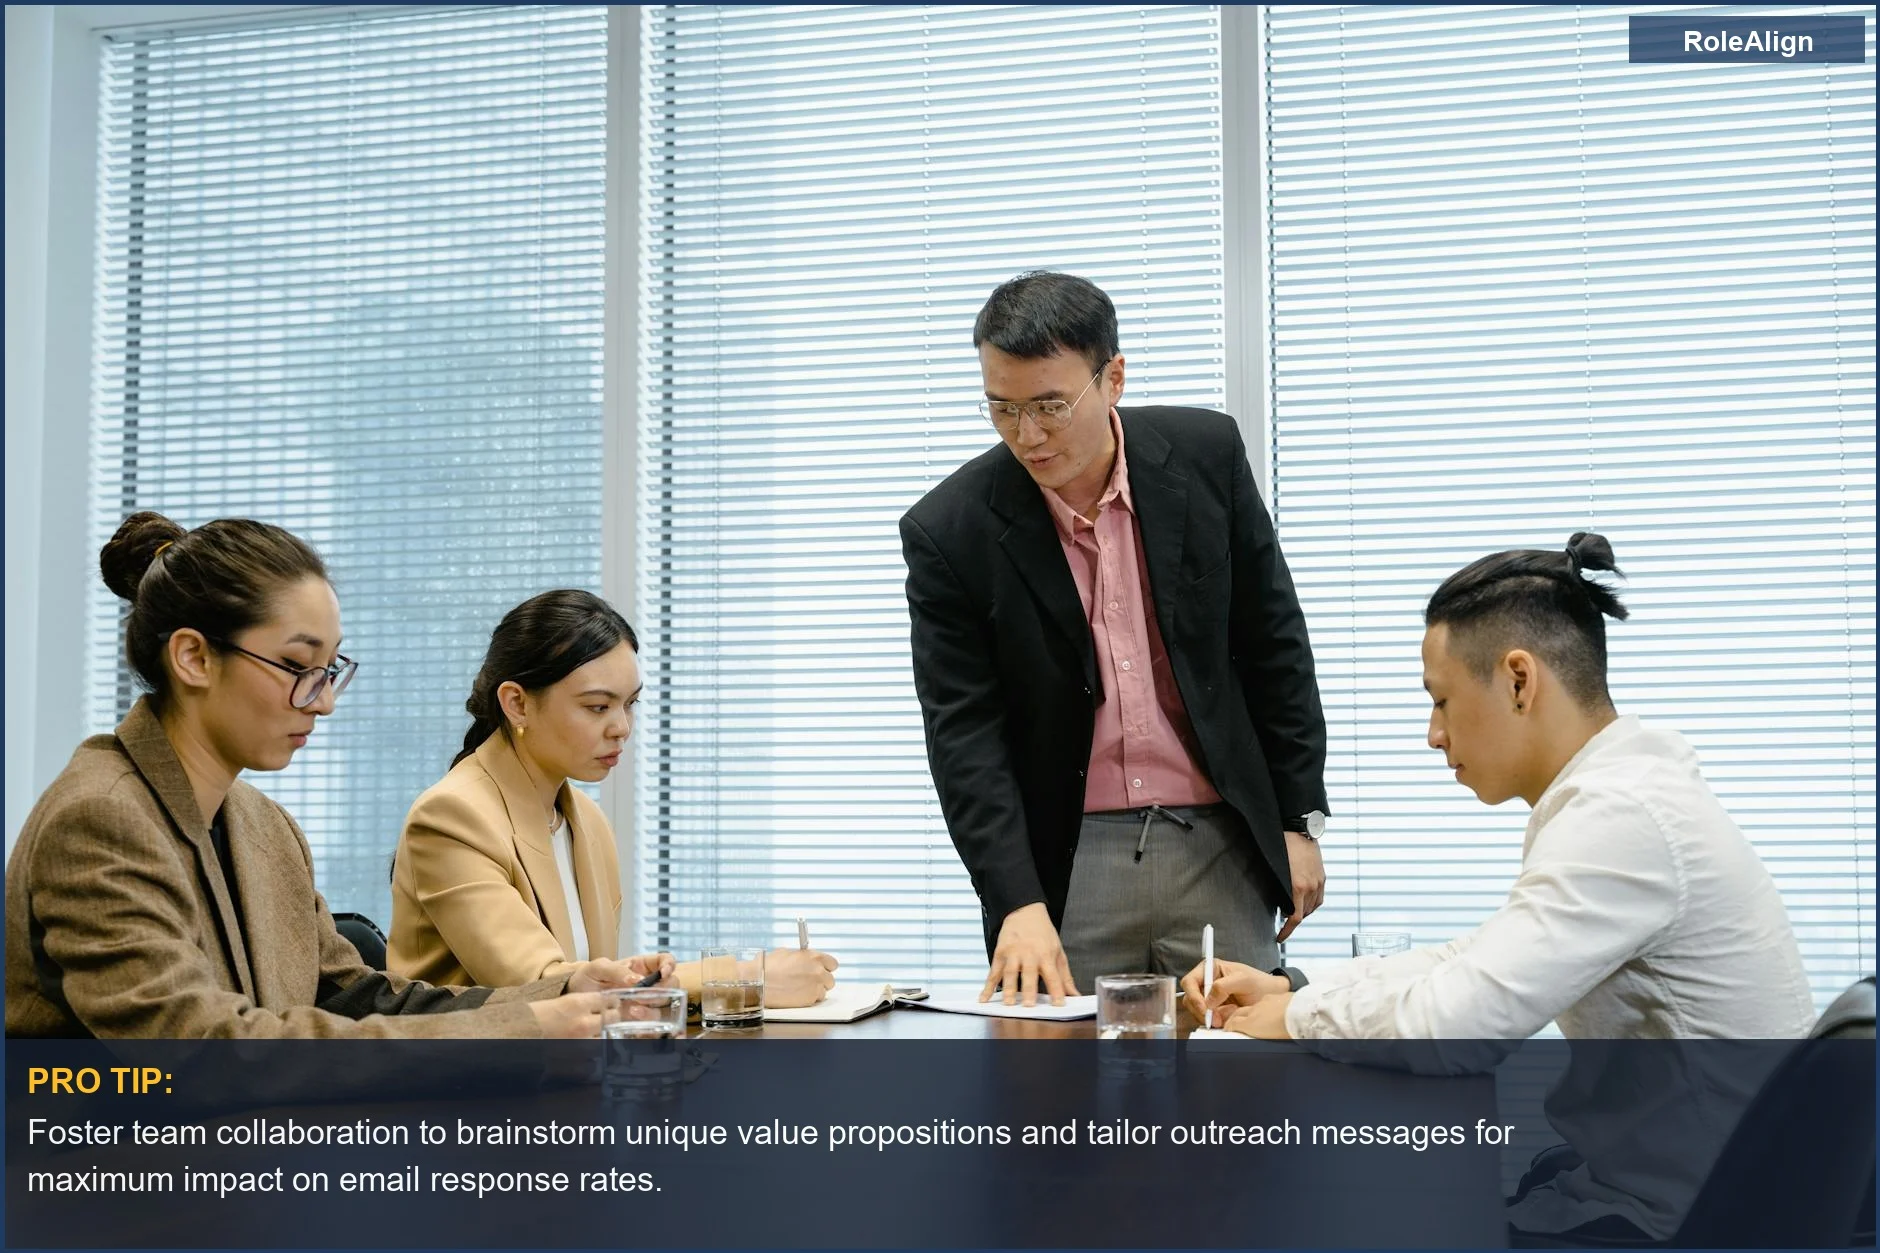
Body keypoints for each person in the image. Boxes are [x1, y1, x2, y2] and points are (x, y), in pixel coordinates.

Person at [1182, 532, 1816, 1240]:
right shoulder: (1621, 793)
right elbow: (1476, 958)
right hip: (1672, 1191)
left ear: (1519, 680)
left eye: (1442, 700)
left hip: (1691, 1225)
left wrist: (1295, 1019)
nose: (1433, 733)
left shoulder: (1622, 817)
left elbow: (1459, 1026)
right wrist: (1294, 990)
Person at [7, 513, 663, 1039]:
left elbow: (350, 994)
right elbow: (208, 1049)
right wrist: (522, 1027)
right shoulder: (101, 818)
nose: (323, 701)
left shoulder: (263, 824)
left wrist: (557, 992)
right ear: (193, 658)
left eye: (330, 670)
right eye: (298, 667)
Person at [901, 271, 1329, 1004]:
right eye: (1002, 408)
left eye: (1050, 406)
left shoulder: (1206, 455)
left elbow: (1274, 643)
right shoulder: (949, 530)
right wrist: (1015, 900)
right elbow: (963, 733)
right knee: (1058, 1073)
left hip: (1220, 838)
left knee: (1237, 1059)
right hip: (1068, 856)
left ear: (1114, 378)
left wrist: (1298, 820)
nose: (1027, 435)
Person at [387, 589, 839, 1008]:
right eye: (598, 707)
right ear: (517, 704)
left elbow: (593, 991)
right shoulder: (452, 816)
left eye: (630, 704)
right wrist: (744, 976)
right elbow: (547, 989)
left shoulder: (586, 819)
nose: (621, 727)